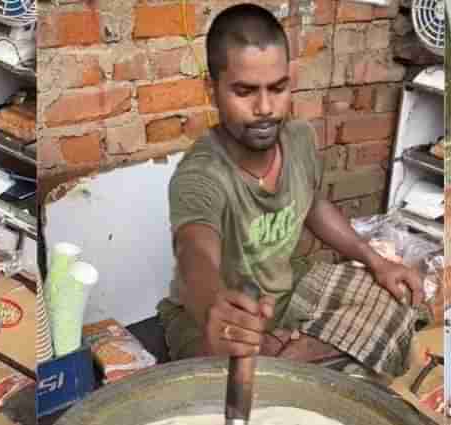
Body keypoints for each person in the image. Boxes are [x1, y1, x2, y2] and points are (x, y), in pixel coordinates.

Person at [156, 3, 425, 377]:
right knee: (234, 388)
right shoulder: (200, 174)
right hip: (217, 318)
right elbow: (194, 250)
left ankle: (290, 362)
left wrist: (375, 260)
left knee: (397, 299)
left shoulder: (298, 138)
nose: (265, 108)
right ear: (211, 88)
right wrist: (214, 307)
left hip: (288, 290)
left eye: (278, 88)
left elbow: (312, 204)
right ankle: (301, 363)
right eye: (245, 91)